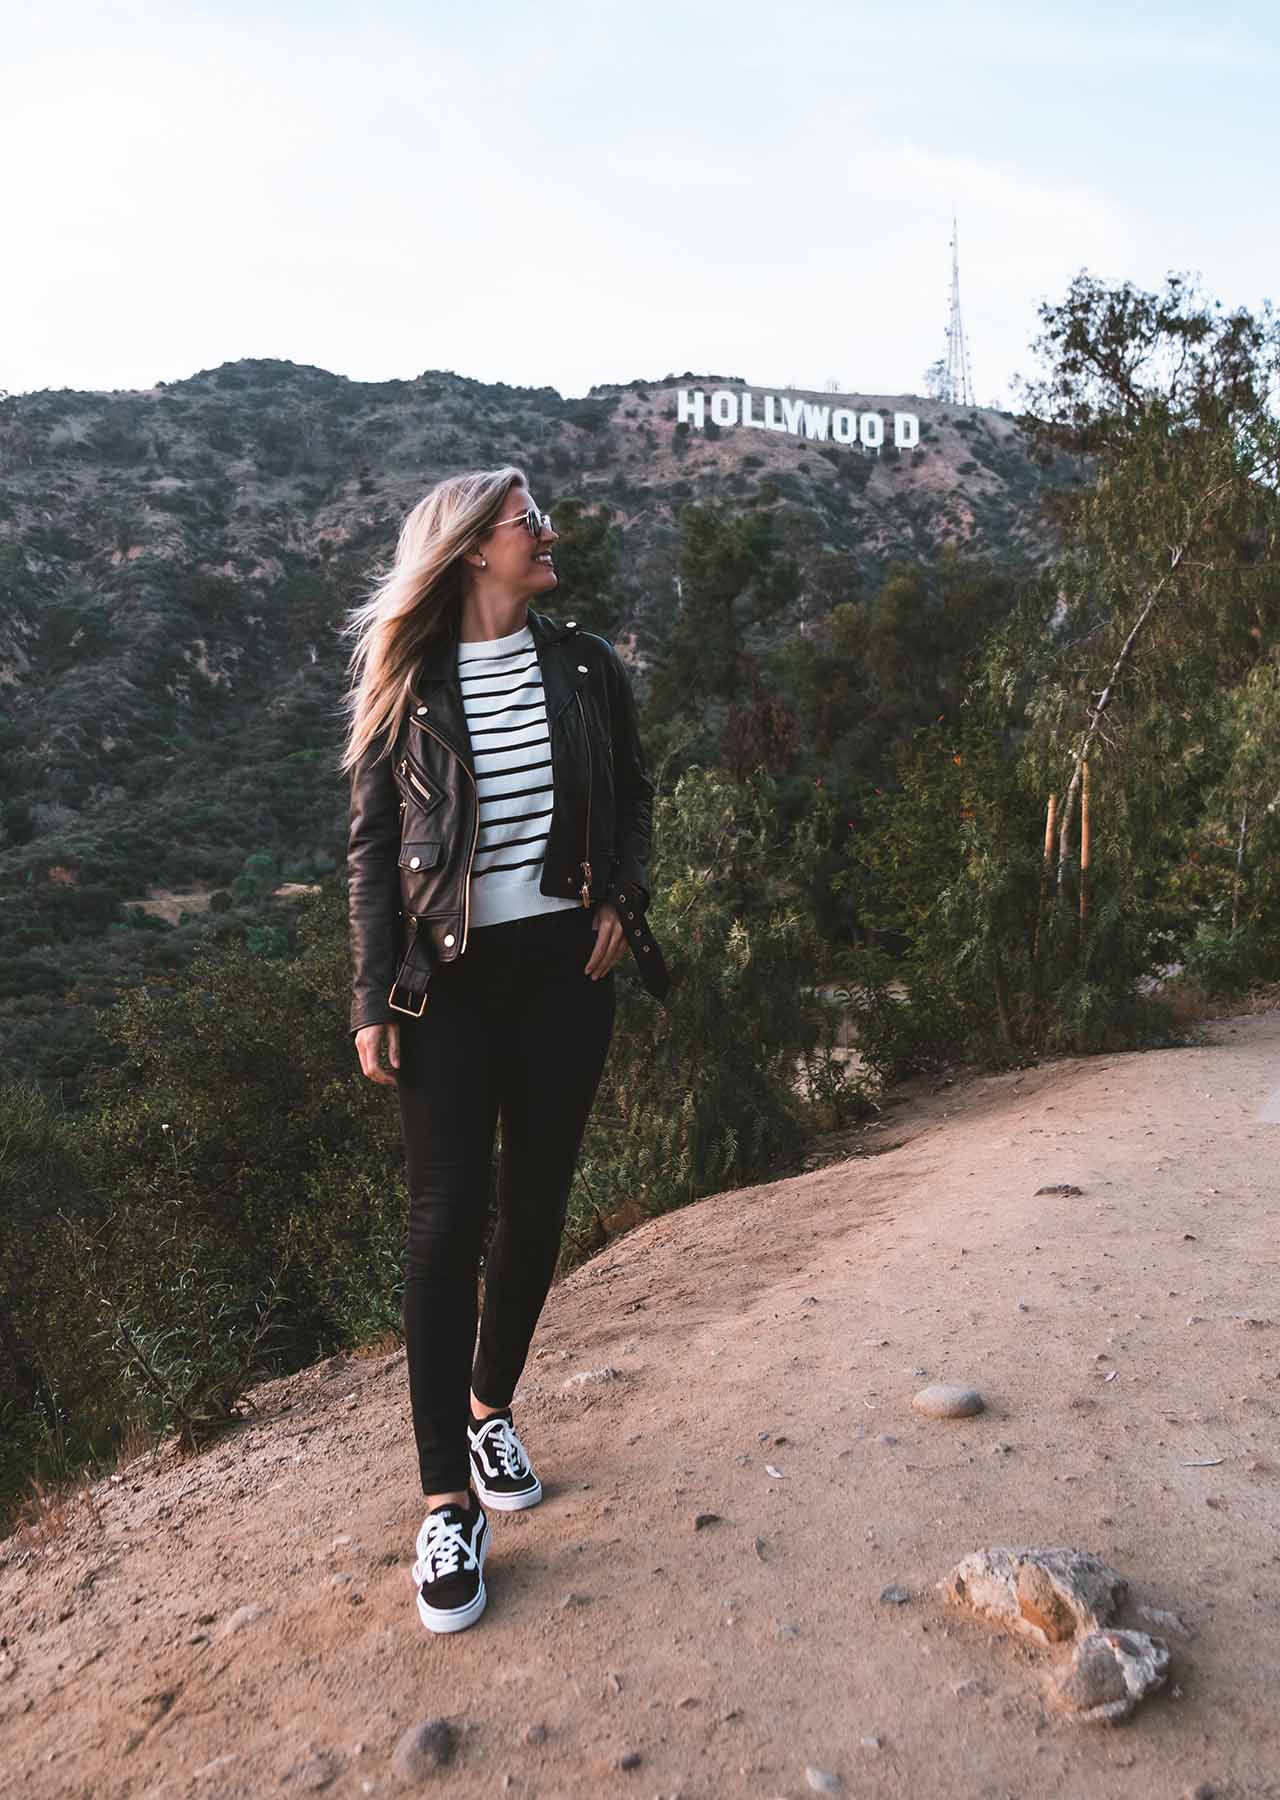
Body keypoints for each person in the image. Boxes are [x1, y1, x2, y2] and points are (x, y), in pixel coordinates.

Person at [338, 466, 669, 1634]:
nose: (548, 532)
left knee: (534, 1206)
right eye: (530, 521)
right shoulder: (406, 680)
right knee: (444, 1219)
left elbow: (633, 797)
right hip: (447, 980)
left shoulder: (584, 666)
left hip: (563, 973)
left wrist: (622, 898)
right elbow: (371, 849)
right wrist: (370, 997)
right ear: (475, 547)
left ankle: (489, 1408)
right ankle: (445, 1503)